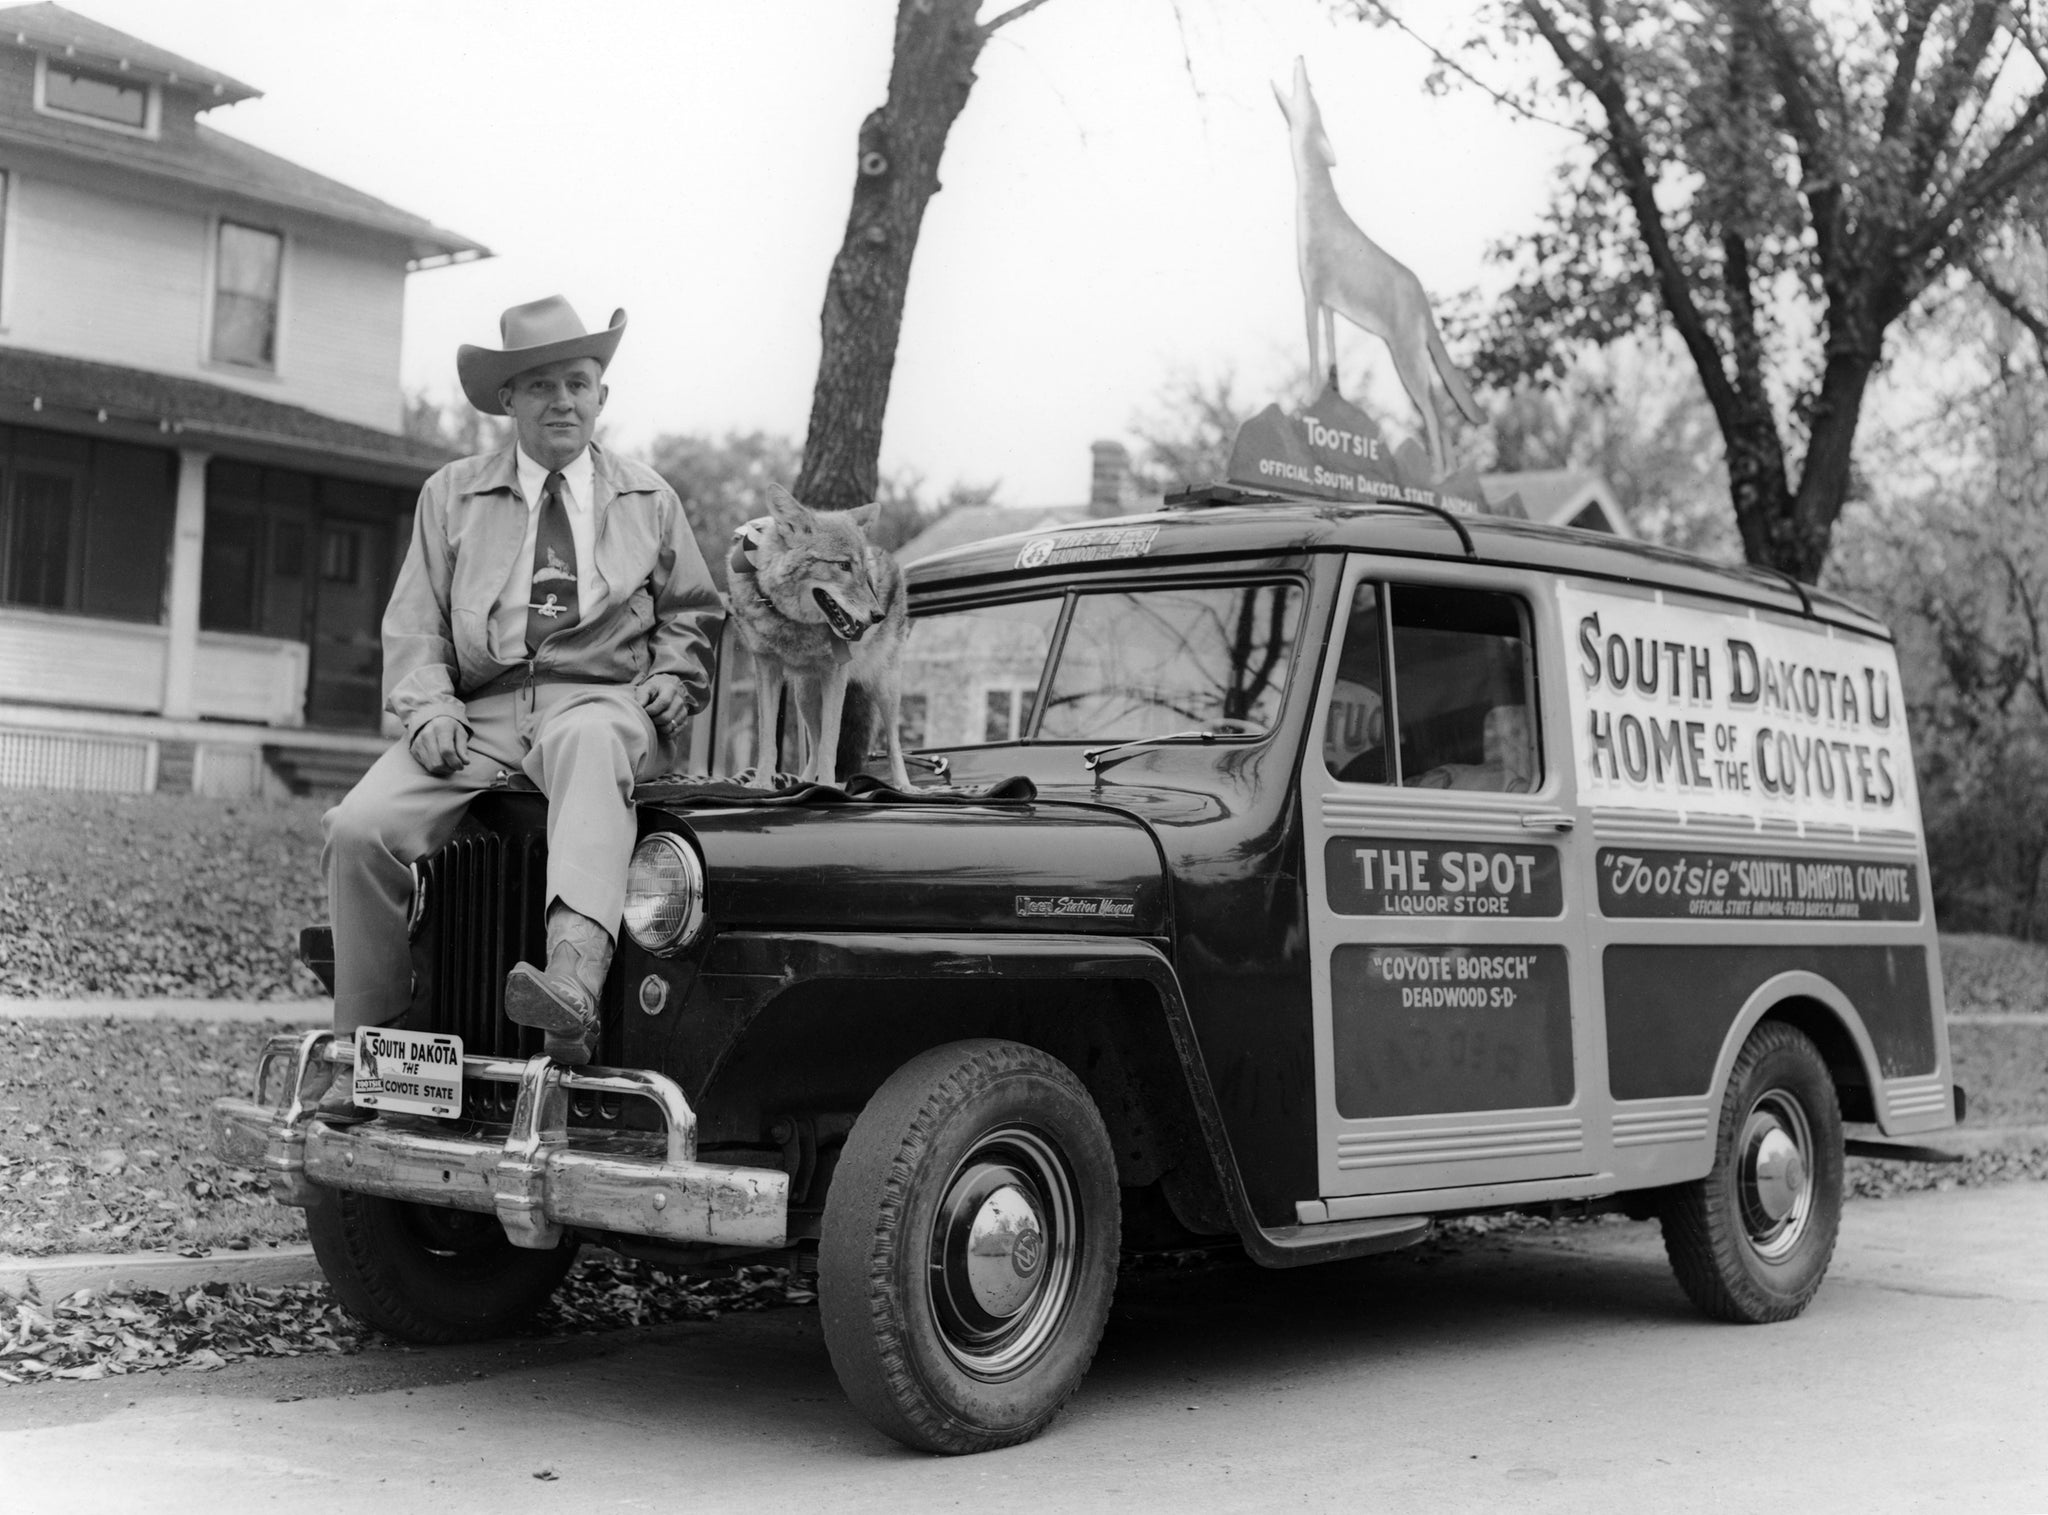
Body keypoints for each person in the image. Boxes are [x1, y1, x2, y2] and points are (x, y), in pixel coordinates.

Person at [321, 296, 721, 1079]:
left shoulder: (650, 501)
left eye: (577, 382)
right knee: (357, 829)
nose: (562, 400)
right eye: (540, 385)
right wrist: (430, 707)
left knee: (586, 736)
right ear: (508, 399)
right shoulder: (451, 495)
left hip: (600, 700)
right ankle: (370, 1056)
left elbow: (692, 615)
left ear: (602, 395)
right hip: (482, 713)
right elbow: (415, 626)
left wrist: (677, 675)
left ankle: (569, 992)